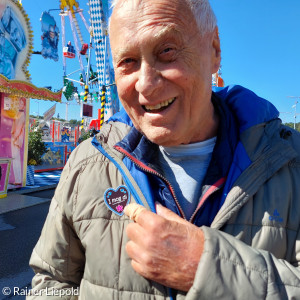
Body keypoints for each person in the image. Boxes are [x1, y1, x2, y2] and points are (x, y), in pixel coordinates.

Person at [28, 0, 300, 299]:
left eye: (167, 51)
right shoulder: (86, 163)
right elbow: (51, 282)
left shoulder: (289, 161)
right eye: (127, 61)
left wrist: (205, 267)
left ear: (214, 50)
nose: (146, 84)